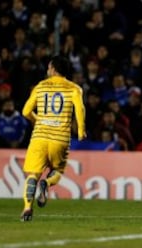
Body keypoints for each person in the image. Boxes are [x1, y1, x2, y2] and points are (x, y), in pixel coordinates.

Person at [20, 55, 86, 221]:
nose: (47, 70)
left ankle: (27, 208)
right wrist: (81, 130)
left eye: (49, 67)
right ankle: (47, 184)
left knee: (33, 174)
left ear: (54, 69)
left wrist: (39, 121)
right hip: (60, 137)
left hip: (39, 137)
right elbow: (80, 109)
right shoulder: (74, 88)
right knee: (57, 170)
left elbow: (25, 111)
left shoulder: (40, 86)